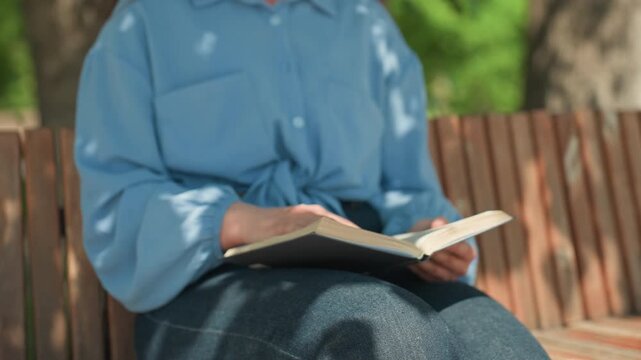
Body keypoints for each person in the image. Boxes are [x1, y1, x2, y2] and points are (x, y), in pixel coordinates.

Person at [75, 0, 549, 358]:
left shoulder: (365, 22)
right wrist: (244, 222)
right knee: (387, 336)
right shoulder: (146, 23)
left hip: (371, 260)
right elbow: (116, 204)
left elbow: (405, 185)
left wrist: (429, 233)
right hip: (212, 279)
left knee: (503, 348)